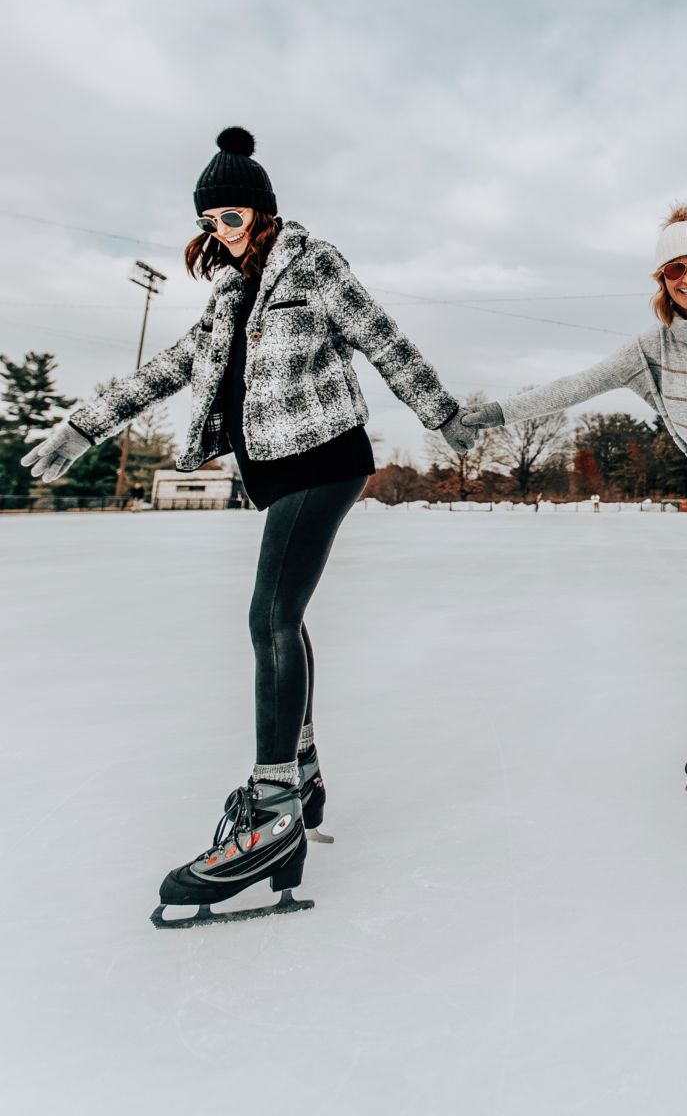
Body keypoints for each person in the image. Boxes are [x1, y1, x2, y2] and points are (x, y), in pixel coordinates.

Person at [22, 127, 480, 922]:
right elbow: (171, 366)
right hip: (271, 471)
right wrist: (82, 424)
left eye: (231, 217)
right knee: (284, 617)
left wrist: (442, 413)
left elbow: (381, 337)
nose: (219, 234)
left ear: (263, 213)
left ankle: (273, 809)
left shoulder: (314, 263)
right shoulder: (226, 295)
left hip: (326, 455)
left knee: (267, 615)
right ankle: (298, 774)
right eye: (208, 223)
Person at [462, 204, 687, 852]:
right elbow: (573, 386)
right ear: (662, 277)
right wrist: (491, 415)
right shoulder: (649, 351)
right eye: (676, 268)